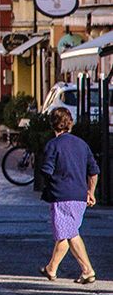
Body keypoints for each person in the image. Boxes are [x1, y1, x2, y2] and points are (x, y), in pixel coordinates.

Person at [39, 107, 99, 284]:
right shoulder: (82, 144)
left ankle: (87, 270)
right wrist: (91, 192)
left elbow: (46, 171)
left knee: (68, 233)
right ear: (70, 123)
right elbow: (94, 171)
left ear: (53, 125)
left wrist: (49, 186)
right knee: (66, 232)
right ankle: (52, 268)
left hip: (62, 195)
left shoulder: (53, 145)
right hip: (80, 196)